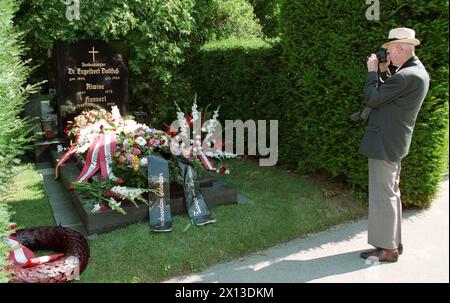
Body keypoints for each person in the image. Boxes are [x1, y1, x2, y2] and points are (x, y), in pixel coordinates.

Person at [359, 28, 430, 262]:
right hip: (394, 141)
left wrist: (371, 72)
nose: (388, 55)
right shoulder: (415, 72)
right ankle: (393, 243)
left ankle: (387, 249)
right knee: (391, 193)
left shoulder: (405, 76)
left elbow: (373, 98)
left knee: (383, 195)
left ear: (401, 48)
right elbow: (387, 96)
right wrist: (383, 71)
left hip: (384, 142)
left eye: (390, 50)